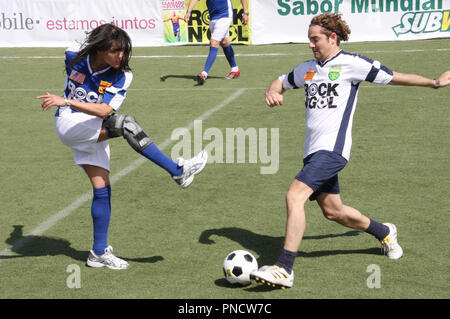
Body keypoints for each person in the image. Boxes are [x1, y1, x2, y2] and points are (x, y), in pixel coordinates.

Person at [251, 13, 450, 289]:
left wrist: (435, 82)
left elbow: (394, 77)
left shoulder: (352, 64)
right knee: (334, 212)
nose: (311, 44)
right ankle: (385, 232)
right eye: (309, 39)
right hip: (311, 152)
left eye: (315, 39)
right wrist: (273, 93)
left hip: (332, 151)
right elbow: (279, 82)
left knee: (294, 195)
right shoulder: (307, 69)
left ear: (332, 38)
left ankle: (284, 268)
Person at [37, 23, 208, 270]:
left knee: (102, 188)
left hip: (92, 123)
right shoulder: (74, 53)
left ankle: (97, 253)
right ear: (100, 49)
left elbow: (105, 110)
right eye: (115, 51)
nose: (121, 56)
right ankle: (177, 171)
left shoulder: (123, 74)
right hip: (69, 123)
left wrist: (66, 98)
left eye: (124, 50)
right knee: (126, 124)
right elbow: (74, 65)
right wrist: (66, 101)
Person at [184, 0, 249, 85]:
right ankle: (235, 69)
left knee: (214, 42)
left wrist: (245, 12)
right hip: (213, 17)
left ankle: (204, 73)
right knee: (224, 42)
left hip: (225, 14)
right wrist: (188, 12)